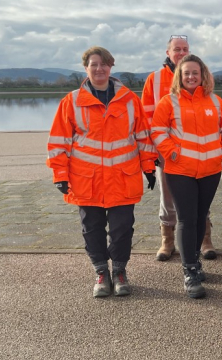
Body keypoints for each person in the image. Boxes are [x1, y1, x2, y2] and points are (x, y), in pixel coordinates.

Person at [47, 46, 156, 298]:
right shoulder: (71, 102)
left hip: (122, 177)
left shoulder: (130, 100)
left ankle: (119, 272)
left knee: (122, 228)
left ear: (111, 67)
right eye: (94, 64)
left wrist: (148, 167)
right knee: (92, 228)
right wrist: (60, 175)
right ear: (86, 68)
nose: (99, 69)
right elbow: (58, 142)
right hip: (87, 179)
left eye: (104, 64)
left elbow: (143, 136)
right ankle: (100, 272)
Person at [150, 55, 222, 299]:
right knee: (186, 218)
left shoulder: (215, 101)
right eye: (186, 72)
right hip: (180, 171)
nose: (191, 77)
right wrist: (172, 154)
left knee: (200, 217)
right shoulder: (169, 102)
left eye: (195, 73)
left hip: (210, 170)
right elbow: (157, 131)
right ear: (180, 75)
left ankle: (195, 262)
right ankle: (189, 271)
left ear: (203, 75)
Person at [142, 35, 217, 262]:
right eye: (177, 49)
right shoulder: (154, 80)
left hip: (202, 155)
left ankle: (205, 239)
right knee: (168, 199)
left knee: (200, 199)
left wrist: (221, 149)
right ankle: (167, 241)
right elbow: (146, 120)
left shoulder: (199, 76)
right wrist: (155, 152)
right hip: (168, 154)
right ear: (168, 53)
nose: (181, 52)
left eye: (185, 49)